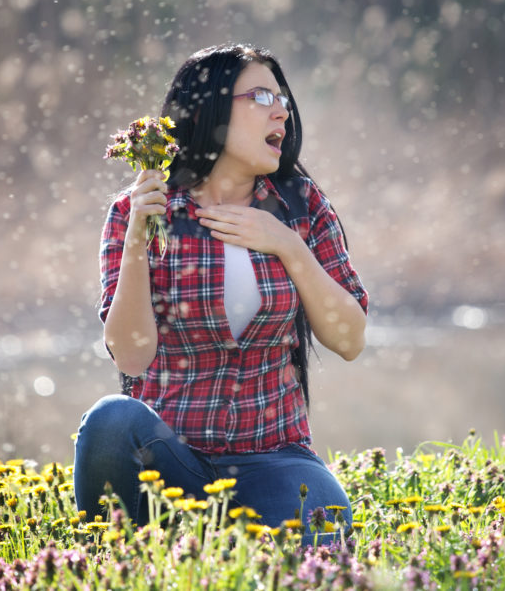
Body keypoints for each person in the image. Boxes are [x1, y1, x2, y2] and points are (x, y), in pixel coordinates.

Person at [73, 43, 369, 544]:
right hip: (168, 463)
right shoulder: (141, 209)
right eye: (260, 96)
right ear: (210, 105)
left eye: (283, 100)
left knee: (321, 534)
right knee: (110, 422)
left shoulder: (300, 205)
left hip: (274, 459)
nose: (282, 110)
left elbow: (350, 339)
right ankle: (143, 548)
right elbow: (131, 354)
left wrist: (289, 246)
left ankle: (226, 539)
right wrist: (138, 240)